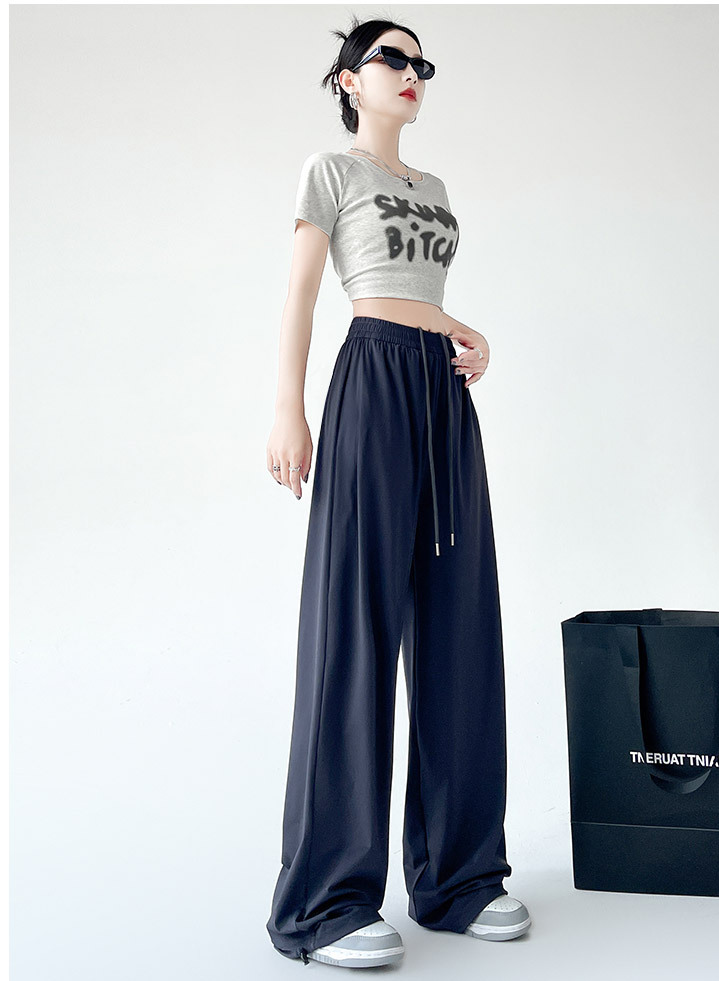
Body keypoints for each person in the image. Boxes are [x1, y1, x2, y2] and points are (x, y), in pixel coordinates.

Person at [265, 16, 531, 969]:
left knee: (461, 622)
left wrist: (466, 331)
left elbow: (419, 291)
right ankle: (328, 899)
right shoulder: (330, 172)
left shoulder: (435, 188)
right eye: (393, 58)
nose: (413, 73)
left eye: (423, 63)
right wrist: (289, 410)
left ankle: (459, 876)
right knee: (356, 630)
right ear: (349, 80)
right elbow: (305, 294)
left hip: (441, 392)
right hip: (372, 381)